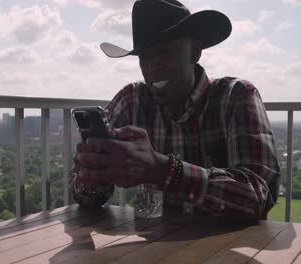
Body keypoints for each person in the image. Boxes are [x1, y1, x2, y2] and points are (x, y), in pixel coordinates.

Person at [70, 0, 281, 220]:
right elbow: (83, 194)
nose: (152, 66)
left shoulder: (235, 97)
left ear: (195, 52)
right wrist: (90, 178)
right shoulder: (132, 101)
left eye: (164, 52)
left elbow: (259, 196)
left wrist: (165, 169)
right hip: (155, 249)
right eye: (145, 56)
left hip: (227, 248)